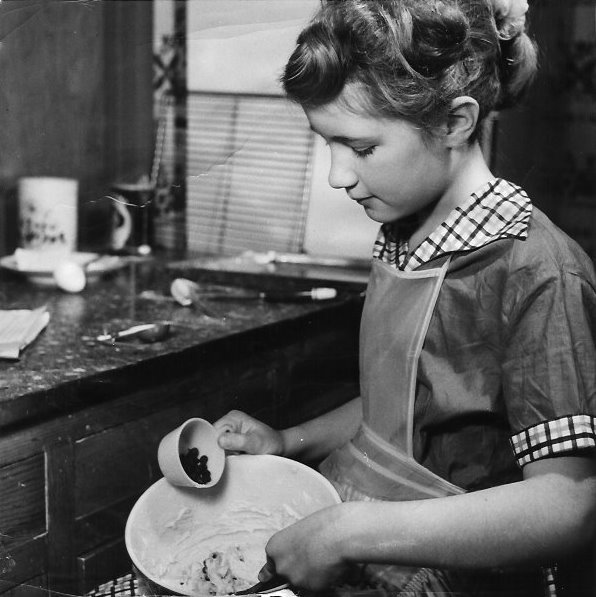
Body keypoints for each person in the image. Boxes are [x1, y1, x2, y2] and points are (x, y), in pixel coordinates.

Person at [213, 1, 596, 595]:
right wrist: (289, 443)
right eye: (328, 144)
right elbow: (405, 405)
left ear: (455, 123)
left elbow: (569, 506)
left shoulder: (536, 272)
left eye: (361, 148)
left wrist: (345, 531)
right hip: (376, 548)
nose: (338, 176)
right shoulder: (404, 235)